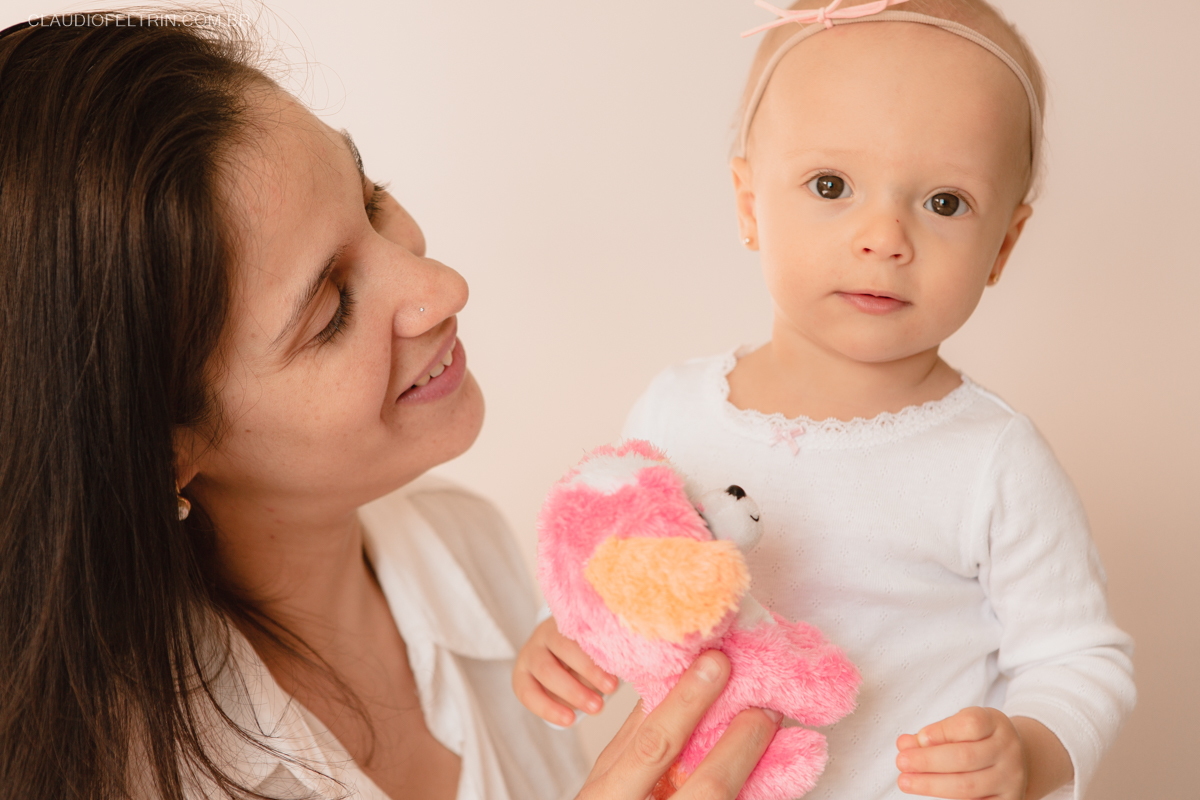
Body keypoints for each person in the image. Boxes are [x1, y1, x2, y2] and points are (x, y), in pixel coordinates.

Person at [0, 12, 782, 800]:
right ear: (166, 450)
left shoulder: (464, 545)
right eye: (332, 309)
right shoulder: (118, 772)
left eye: (372, 200)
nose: (444, 288)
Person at [512, 2, 1136, 799]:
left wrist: (1032, 749)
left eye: (945, 202)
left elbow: (1079, 657)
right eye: (832, 185)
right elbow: (625, 572)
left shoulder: (992, 458)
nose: (884, 236)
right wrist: (567, 636)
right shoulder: (673, 414)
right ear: (748, 204)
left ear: (1002, 247)